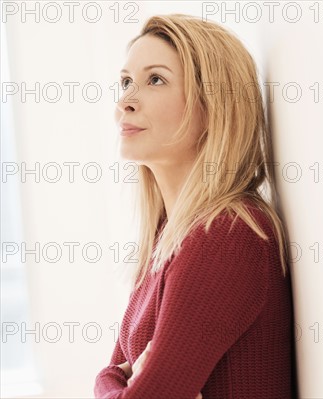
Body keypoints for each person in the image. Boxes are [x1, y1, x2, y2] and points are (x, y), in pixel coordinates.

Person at [93, 14, 298, 398]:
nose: (125, 102)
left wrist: (110, 381)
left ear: (212, 107)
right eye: (125, 82)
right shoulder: (166, 238)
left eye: (155, 79)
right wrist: (111, 380)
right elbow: (116, 372)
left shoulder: (228, 234)